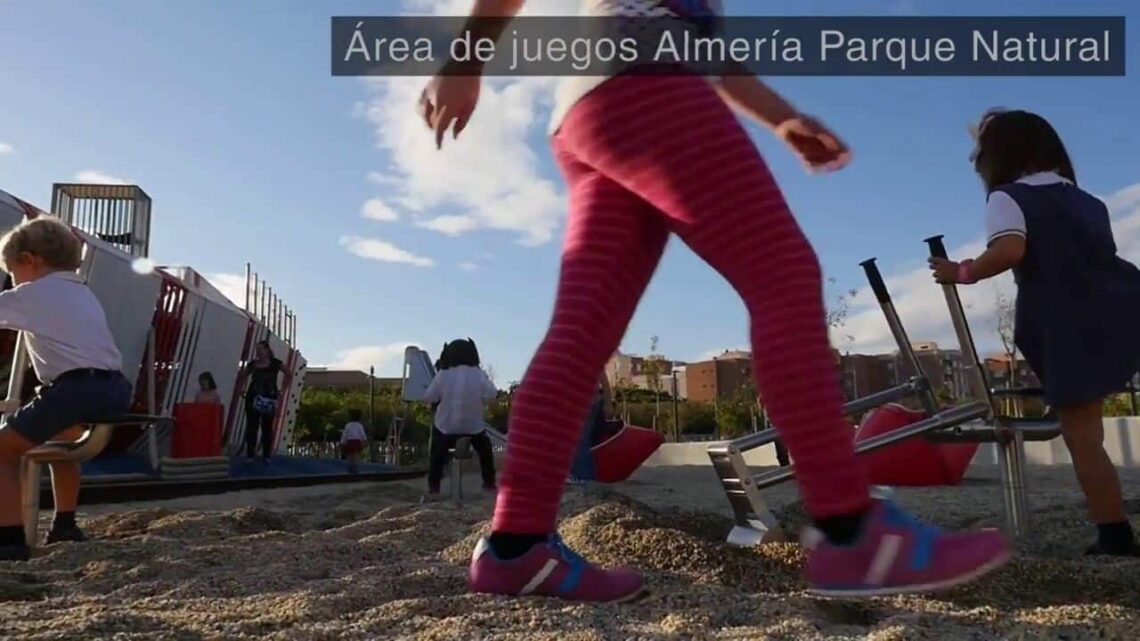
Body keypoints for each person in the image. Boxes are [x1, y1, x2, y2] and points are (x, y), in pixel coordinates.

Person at [420, 0, 1009, 602]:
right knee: (783, 274)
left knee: (581, 334)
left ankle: (516, 547)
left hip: (592, 105)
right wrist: (464, 60)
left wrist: (782, 120)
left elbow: (708, 48)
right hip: (645, 79)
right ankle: (852, 531)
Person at [930, 108, 1139, 557]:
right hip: (1122, 306)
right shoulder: (1089, 202)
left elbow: (1009, 249)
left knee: (1083, 438)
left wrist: (961, 272)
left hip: (1068, 323)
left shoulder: (1008, 198)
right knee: (1090, 430)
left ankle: (1115, 535)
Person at [0, 218, 132, 561]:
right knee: (62, 439)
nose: (12, 282)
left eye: (12, 272)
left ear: (30, 261)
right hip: (114, 386)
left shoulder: (34, 294)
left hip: (75, 387)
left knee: (2, 450)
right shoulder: (82, 291)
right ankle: (65, 523)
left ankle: (9, 540)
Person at [423, 338, 498, 499]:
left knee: (436, 451)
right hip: (473, 429)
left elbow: (429, 396)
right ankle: (489, 483)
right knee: (485, 449)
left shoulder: (443, 375)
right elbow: (492, 394)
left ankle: (434, 487)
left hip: (446, 428)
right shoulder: (478, 374)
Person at [239, 340, 282, 464]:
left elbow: (288, 373)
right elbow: (242, 375)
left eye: (260, 350)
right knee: (252, 425)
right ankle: (250, 454)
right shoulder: (253, 364)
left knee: (267, 427)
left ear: (267, 351)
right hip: (253, 397)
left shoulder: (275, 363)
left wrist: (282, 390)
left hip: (268, 398)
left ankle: (266, 454)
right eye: (257, 350)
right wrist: (242, 388)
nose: (258, 352)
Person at [340, 409, 368, 474]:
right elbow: (362, 434)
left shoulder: (348, 425)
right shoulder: (359, 425)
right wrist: (364, 441)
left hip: (350, 441)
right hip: (357, 441)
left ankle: (350, 466)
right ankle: (354, 467)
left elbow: (345, 434)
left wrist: (342, 442)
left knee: (350, 454)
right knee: (356, 454)